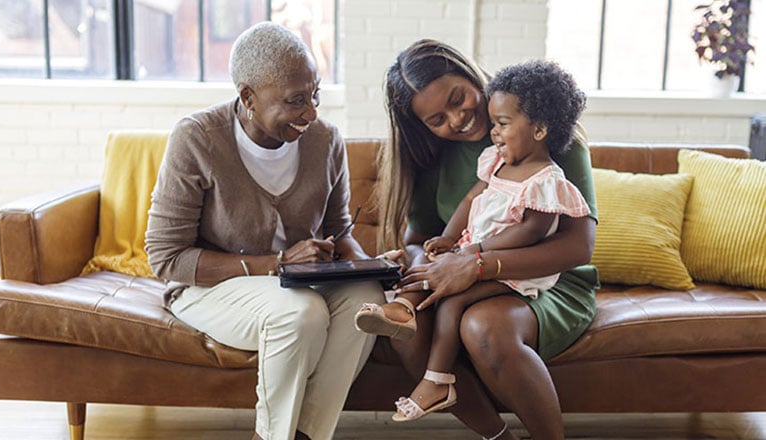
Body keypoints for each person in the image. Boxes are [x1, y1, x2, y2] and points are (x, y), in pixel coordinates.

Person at [145, 22, 383, 440]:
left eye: (315, 95)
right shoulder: (198, 139)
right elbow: (167, 258)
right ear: (248, 97)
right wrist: (276, 263)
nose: (311, 112)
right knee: (300, 313)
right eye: (295, 101)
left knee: (367, 301)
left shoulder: (325, 140)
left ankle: (308, 435)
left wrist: (371, 267)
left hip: (299, 284)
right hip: (210, 288)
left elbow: (338, 230)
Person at [370, 40, 600, 440]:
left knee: (483, 327)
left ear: (469, 72)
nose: (457, 120)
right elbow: (420, 237)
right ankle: (496, 436)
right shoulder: (434, 156)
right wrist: (426, 262)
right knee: (407, 332)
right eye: (436, 119)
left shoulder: (546, 135)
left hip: (549, 280)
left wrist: (475, 264)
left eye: (459, 99)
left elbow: (577, 248)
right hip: (464, 268)